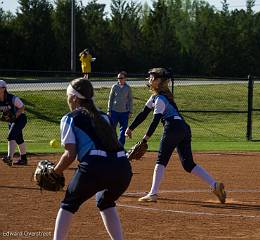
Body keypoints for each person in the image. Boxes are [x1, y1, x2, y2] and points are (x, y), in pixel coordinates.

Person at [125, 68, 226, 203]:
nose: (149, 80)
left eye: (152, 78)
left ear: (159, 81)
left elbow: (155, 121)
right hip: (184, 129)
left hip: (172, 128)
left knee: (161, 160)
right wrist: (130, 128)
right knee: (188, 164)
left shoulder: (160, 99)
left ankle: (153, 193)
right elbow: (143, 113)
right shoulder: (159, 97)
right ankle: (215, 185)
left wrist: (145, 139)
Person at [52, 78, 132, 240]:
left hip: (94, 167)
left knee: (68, 205)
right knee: (105, 201)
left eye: (68, 95)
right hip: (123, 168)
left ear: (74, 98)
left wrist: (55, 172)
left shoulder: (69, 118)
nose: (68, 99)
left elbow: (70, 154)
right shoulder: (106, 117)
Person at [0, 80, 28, 166]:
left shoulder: (12, 98)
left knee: (11, 136)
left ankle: (9, 158)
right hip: (11, 121)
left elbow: (22, 107)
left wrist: (15, 116)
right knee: (19, 139)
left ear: (4, 89)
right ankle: (23, 159)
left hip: (20, 119)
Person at [107, 71, 133, 146]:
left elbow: (130, 100)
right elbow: (111, 99)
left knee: (123, 130)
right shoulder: (114, 87)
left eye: (121, 78)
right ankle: (112, 145)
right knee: (112, 129)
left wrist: (130, 111)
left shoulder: (128, 88)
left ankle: (120, 147)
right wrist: (109, 110)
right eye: (118, 78)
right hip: (114, 111)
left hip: (124, 112)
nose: (119, 79)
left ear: (125, 79)